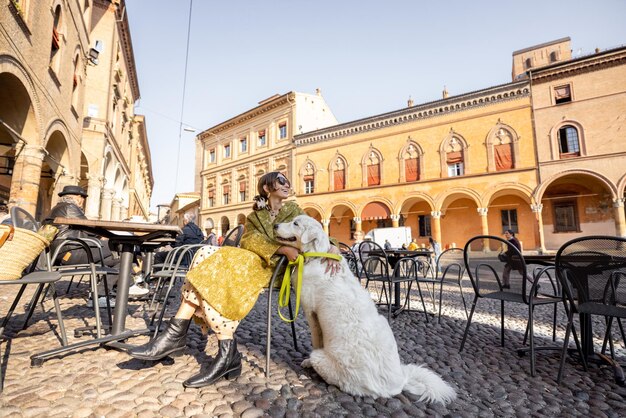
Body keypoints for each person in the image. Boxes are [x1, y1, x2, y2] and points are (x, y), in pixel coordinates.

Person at [128, 172, 341, 388]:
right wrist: (282, 247)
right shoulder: (254, 217)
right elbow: (250, 241)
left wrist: (332, 244)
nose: (288, 184)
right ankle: (208, 346)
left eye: (288, 180)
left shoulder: (294, 210)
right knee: (205, 253)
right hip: (254, 262)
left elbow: (314, 230)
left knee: (214, 259)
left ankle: (176, 336)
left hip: (277, 270)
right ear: (267, 188)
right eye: (282, 181)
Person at [42, 185, 147, 304]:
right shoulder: (69, 207)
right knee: (122, 246)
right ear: (78, 197)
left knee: (120, 258)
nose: (83, 201)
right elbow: (88, 228)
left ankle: (109, 291)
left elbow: (84, 230)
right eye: (83, 198)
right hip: (70, 251)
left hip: (66, 251)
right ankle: (128, 282)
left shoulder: (60, 207)